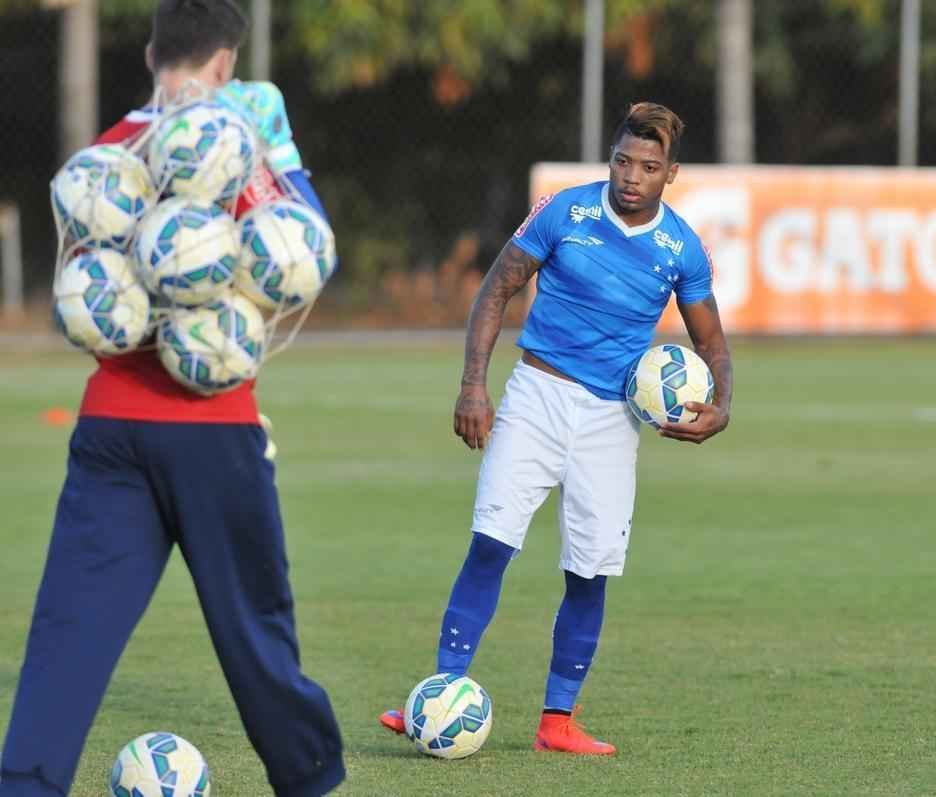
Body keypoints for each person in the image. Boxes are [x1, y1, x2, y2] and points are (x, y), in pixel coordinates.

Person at [0, 2, 344, 795]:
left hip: (111, 421)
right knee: (255, 629)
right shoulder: (240, 143)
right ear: (225, 63)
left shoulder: (109, 153)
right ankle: (311, 777)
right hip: (212, 425)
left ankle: (26, 783)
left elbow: (87, 298)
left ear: (152, 52)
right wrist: (284, 153)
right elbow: (305, 251)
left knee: (69, 629)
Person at [379, 102, 734, 755]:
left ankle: (558, 722)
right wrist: (472, 384)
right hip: (536, 398)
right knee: (491, 544)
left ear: (671, 173)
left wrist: (724, 404)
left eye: (648, 167)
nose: (632, 176)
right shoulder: (565, 212)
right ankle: (440, 693)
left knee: (590, 571)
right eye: (623, 160)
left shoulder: (680, 247)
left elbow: (711, 342)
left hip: (612, 420)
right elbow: (496, 289)